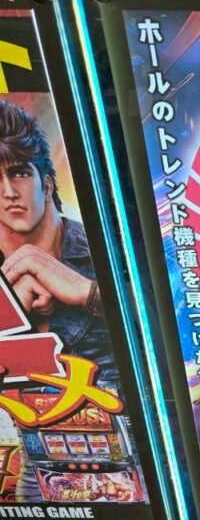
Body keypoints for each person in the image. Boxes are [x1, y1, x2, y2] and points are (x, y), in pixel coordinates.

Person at [0, 99, 118, 388]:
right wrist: (8, 317)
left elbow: (177, 332)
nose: (9, 192)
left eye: (20, 173)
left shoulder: (110, 248)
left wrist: (88, 293)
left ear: (47, 183)